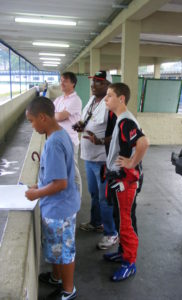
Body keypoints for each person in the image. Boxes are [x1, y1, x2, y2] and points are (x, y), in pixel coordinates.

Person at [25, 97, 80, 300]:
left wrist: (35, 194)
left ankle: (68, 290)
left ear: (42, 117)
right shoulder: (59, 134)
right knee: (57, 246)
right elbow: (55, 174)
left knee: (65, 251)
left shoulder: (54, 143)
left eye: (31, 121)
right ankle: (57, 277)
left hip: (60, 208)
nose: (32, 126)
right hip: (59, 206)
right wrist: (39, 185)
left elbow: (60, 183)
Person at [103, 82, 149, 282]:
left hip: (126, 183)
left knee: (125, 222)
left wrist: (131, 163)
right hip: (118, 180)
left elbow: (143, 143)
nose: (106, 99)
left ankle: (129, 263)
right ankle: (123, 252)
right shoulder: (120, 119)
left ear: (121, 99)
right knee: (120, 219)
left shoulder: (126, 121)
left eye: (109, 95)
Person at [73, 70, 118, 250]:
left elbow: (117, 135)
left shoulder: (111, 107)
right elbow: (88, 119)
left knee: (105, 198)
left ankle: (111, 233)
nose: (93, 85)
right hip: (89, 157)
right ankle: (96, 222)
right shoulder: (92, 101)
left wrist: (99, 141)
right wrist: (81, 126)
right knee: (94, 194)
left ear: (108, 86)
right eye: (93, 82)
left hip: (103, 160)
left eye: (99, 82)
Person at [54, 72, 82, 195]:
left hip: (70, 141)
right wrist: (55, 115)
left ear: (73, 83)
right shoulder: (59, 99)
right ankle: (67, 196)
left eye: (65, 80)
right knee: (61, 170)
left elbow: (59, 116)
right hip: (58, 140)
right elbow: (51, 114)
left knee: (73, 171)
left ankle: (77, 198)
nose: (62, 83)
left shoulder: (75, 100)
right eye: (61, 80)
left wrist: (55, 114)